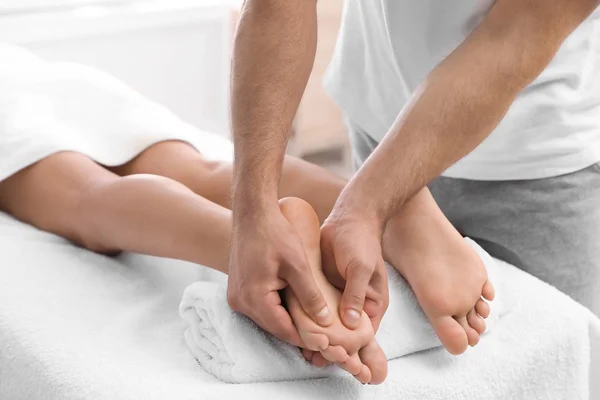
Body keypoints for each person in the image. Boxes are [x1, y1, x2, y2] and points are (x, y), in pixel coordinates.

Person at [0, 44, 495, 384]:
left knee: (86, 196)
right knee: (203, 169)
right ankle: (390, 208)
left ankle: (245, 250)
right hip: (69, 83)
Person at [228, 0, 600, 369]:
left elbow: (515, 37)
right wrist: (253, 210)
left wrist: (365, 206)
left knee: (554, 358)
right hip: (381, 107)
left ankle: (401, 216)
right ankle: (405, 217)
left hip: (538, 163)